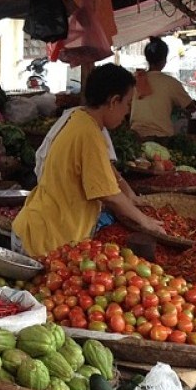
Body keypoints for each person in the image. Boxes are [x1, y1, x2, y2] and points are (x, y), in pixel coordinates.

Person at [13, 64, 164, 259]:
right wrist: (145, 221)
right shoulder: (89, 133)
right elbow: (109, 195)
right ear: (113, 101)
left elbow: (106, 169)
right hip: (45, 239)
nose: (127, 112)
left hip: (40, 228)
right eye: (127, 104)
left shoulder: (79, 118)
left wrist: (130, 194)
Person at [130, 37, 196, 140]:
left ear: (147, 59)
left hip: (135, 136)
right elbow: (190, 107)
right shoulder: (171, 83)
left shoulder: (136, 79)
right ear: (164, 60)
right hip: (161, 138)